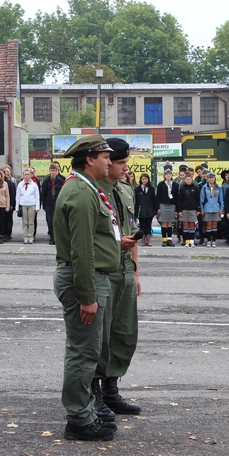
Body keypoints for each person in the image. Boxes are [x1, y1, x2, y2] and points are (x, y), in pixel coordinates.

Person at [53, 135, 119, 441]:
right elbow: (82, 250)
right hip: (86, 278)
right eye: (105, 156)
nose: (110, 160)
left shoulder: (85, 187)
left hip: (92, 276)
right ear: (89, 159)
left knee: (85, 350)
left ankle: (84, 412)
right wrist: (88, 296)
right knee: (83, 352)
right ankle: (78, 419)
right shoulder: (80, 192)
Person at [94, 137, 143, 417]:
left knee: (124, 333)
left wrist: (135, 273)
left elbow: (132, 234)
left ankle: (111, 389)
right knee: (100, 337)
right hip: (104, 269)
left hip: (124, 269)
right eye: (122, 163)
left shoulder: (126, 191)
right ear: (108, 162)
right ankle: (96, 394)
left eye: (126, 163)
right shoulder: (93, 190)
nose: (126, 168)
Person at [41, 163, 65, 245]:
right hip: (49, 203)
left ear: (57, 171)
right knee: (50, 220)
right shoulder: (46, 181)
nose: (53, 172)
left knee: (58, 221)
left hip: (57, 202)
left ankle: (57, 237)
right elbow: (43, 194)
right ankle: (52, 236)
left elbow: (63, 194)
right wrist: (44, 205)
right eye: (51, 171)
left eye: (54, 171)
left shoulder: (60, 181)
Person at [15, 168, 40, 244]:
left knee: (31, 222)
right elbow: (18, 196)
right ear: (23, 175)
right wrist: (17, 207)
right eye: (25, 174)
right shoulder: (20, 185)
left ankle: (31, 236)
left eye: (28, 174)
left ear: (30, 175)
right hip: (23, 205)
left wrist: (37, 207)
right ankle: (25, 237)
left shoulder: (34, 185)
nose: (26, 176)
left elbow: (37, 196)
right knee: (25, 222)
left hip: (31, 205)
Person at [200, 172, 224, 247]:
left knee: (214, 225)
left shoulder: (218, 187)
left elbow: (221, 199)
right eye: (209, 178)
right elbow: (202, 199)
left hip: (216, 208)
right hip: (207, 208)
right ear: (207, 179)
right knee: (208, 225)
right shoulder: (204, 188)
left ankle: (213, 240)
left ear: (215, 178)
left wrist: (221, 209)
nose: (211, 179)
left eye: (212, 178)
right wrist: (202, 209)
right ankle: (208, 240)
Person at [155, 168, 178, 247]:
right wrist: (158, 207)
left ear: (171, 175)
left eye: (169, 174)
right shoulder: (161, 184)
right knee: (164, 222)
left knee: (170, 223)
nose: (168, 176)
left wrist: (177, 209)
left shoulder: (175, 184)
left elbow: (177, 196)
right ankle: (164, 240)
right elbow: (157, 196)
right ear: (164, 176)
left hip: (172, 205)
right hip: (163, 205)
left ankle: (170, 239)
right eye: (167, 174)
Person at [177, 171, 201, 247]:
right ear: (185, 180)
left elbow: (198, 199)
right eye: (187, 179)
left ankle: (192, 241)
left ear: (192, 179)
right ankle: (186, 241)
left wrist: (198, 209)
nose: (188, 181)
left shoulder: (195, 188)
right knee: (185, 225)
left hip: (193, 209)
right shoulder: (182, 188)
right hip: (184, 210)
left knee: (192, 225)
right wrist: (180, 210)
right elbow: (179, 200)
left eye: (189, 179)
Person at [135, 173, 156, 247]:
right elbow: (136, 201)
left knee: (148, 226)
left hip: (149, 210)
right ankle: (143, 241)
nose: (144, 180)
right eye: (143, 179)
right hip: (141, 211)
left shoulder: (151, 189)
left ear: (148, 180)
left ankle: (148, 241)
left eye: (146, 179)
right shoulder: (137, 189)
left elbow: (154, 200)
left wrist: (154, 211)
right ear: (141, 180)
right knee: (142, 226)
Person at [2, 165, 17, 241]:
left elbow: (13, 193)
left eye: (7, 172)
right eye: (4, 172)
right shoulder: (0, 182)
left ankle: (8, 234)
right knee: (2, 219)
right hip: (1, 204)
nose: (6, 173)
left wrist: (12, 204)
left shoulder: (10, 182)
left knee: (8, 220)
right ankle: (3, 233)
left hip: (9, 204)